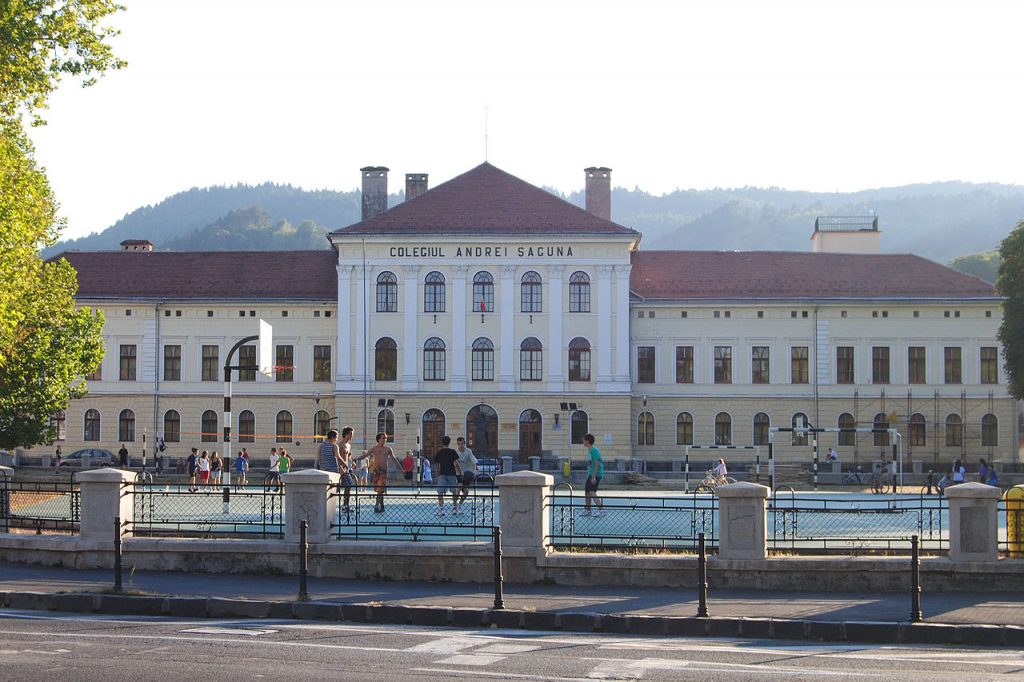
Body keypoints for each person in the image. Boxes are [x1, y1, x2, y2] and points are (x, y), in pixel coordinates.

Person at [357, 433, 401, 513]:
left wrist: (401, 469)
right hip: (376, 472)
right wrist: (356, 459)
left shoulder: (388, 449)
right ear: (378, 439)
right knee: (379, 490)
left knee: (380, 489)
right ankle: (382, 506)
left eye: (386, 438)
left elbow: (394, 459)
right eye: (383, 438)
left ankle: (377, 505)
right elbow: (365, 455)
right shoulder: (374, 449)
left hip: (383, 472)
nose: (385, 440)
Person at [433, 436, 463, 516]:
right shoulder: (452, 452)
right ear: (449, 443)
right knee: (454, 491)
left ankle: (441, 509)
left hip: (442, 474)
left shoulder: (439, 452)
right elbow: (456, 463)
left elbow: (437, 465)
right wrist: (460, 472)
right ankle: (454, 508)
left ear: (442, 443)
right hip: (452, 473)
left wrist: (437, 474)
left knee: (440, 492)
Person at [582, 433, 605, 516]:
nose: (583, 442)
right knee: (587, 492)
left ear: (587, 441)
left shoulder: (594, 450)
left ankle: (602, 510)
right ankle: (588, 510)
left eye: (584, 440)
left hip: (596, 474)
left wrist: (594, 476)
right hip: (591, 474)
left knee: (592, 492)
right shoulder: (590, 450)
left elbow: (597, 463)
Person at [455, 436, 478, 508]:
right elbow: (455, 463)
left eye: (462, 444)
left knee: (466, 492)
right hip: (458, 473)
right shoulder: (456, 452)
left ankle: (460, 504)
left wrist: (474, 472)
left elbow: (474, 462)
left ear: (464, 444)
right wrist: (459, 471)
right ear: (457, 444)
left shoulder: (468, 451)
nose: (461, 446)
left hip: (466, 473)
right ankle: (454, 506)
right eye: (459, 444)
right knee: (459, 486)